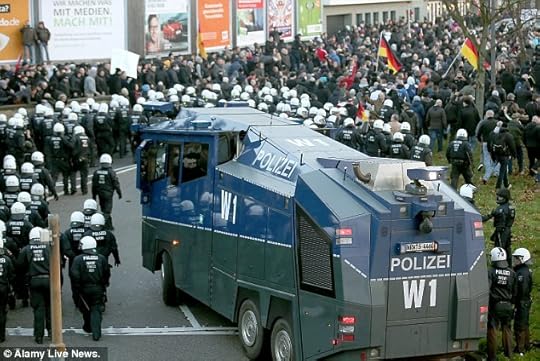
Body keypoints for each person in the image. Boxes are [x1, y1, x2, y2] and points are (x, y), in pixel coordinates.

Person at [70, 236, 110, 341]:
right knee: (96, 309)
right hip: (98, 287)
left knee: (85, 309)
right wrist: (104, 284)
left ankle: (88, 327)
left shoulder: (78, 259)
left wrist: (77, 287)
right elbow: (106, 273)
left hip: (84, 288)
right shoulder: (101, 258)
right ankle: (96, 332)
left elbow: (74, 275)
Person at [17, 227, 51, 344]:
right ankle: (52, 332)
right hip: (49, 280)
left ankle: (39, 336)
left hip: (34, 280)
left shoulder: (26, 249)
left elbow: (20, 266)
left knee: (38, 308)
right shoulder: (48, 247)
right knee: (50, 307)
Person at [487, 247, 516, 361]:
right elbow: (515, 291)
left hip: (495, 306)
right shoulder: (512, 273)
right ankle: (509, 354)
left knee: (492, 331)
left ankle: (492, 357)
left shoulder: (491, 272)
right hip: (508, 305)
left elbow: (487, 289)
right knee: (507, 329)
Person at [482, 188, 515, 264]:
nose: (498, 198)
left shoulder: (500, 209)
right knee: (507, 248)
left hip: (501, 231)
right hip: (508, 230)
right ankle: (509, 265)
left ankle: (499, 264)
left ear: (505, 198)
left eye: (500, 197)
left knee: (499, 248)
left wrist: (482, 218)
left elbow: (488, 217)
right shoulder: (511, 207)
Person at [91, 154, 122, 230]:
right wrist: (119, 192)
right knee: (107, 211)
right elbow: (116, 183)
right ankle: (100, 224)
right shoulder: (111, 172)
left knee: (105, 210)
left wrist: (94, 196)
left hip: (100, 193)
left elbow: (94, 185)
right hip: (108, 194)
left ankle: (109, 226)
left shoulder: (96, 172)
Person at [512, 248, 533, 356]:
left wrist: (515, 301)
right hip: (524, 302)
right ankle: (526, 345)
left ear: (522, 259)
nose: (514, 260)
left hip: (522, 302)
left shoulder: (522, 274)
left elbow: (522, 289)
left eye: (516, 258)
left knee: (519, 325)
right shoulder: (523, 270)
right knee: (524, 324)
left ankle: (520, 349)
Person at [488, 122, 516, 190]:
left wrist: (493, 156)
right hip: (504, 155)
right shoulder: (508, 135)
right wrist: (514, 155)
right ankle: (498, 186)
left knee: (503, 169)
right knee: (502, 171)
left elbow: (492, 146)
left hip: (496, 155)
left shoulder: (496, 135)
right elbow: (512, 146)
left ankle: (507, 185)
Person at [0, 231, 15, 343]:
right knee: (2, 311)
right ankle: (1, 336)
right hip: (3, 287)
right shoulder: (7, 259)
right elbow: (11, 275)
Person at [71, 126, 90, 195]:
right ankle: (84, 190)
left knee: (73, 173)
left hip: (77, 158)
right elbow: (90, 148)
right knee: (84, 175)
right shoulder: (87, 138)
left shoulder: (76, 138)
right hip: (85, 157)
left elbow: (72, 147)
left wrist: (72, 156)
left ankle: (73, 189)